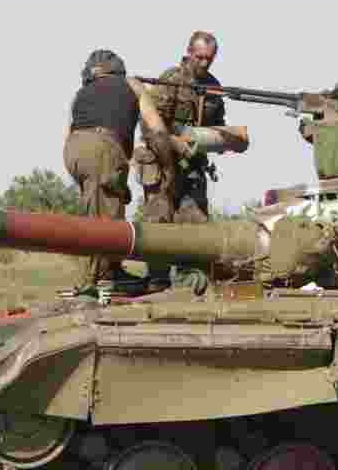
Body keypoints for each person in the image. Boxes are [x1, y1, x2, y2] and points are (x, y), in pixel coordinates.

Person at [63, 49, 172, 293]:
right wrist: (167, 166)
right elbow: (157, 130)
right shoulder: (132, 84)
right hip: (102, 146)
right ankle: (105, 278)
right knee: (107, 220)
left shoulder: (80, 94)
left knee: (100, 211)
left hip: (74, 150)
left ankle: (106, 272)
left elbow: (70, 133)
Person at [135, 31, 237, 288]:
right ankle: (157, 280)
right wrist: (174, 143)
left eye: (209, 58)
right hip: (162, 162)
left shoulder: (213, 87)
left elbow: (218, 125)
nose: (204, 62)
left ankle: (190, 278)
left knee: (195, 223)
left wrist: (226, 140)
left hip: (192, 167)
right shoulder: (171, 79)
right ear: (189, 53)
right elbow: (150, 125)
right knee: (159, 220)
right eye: (200, 57)